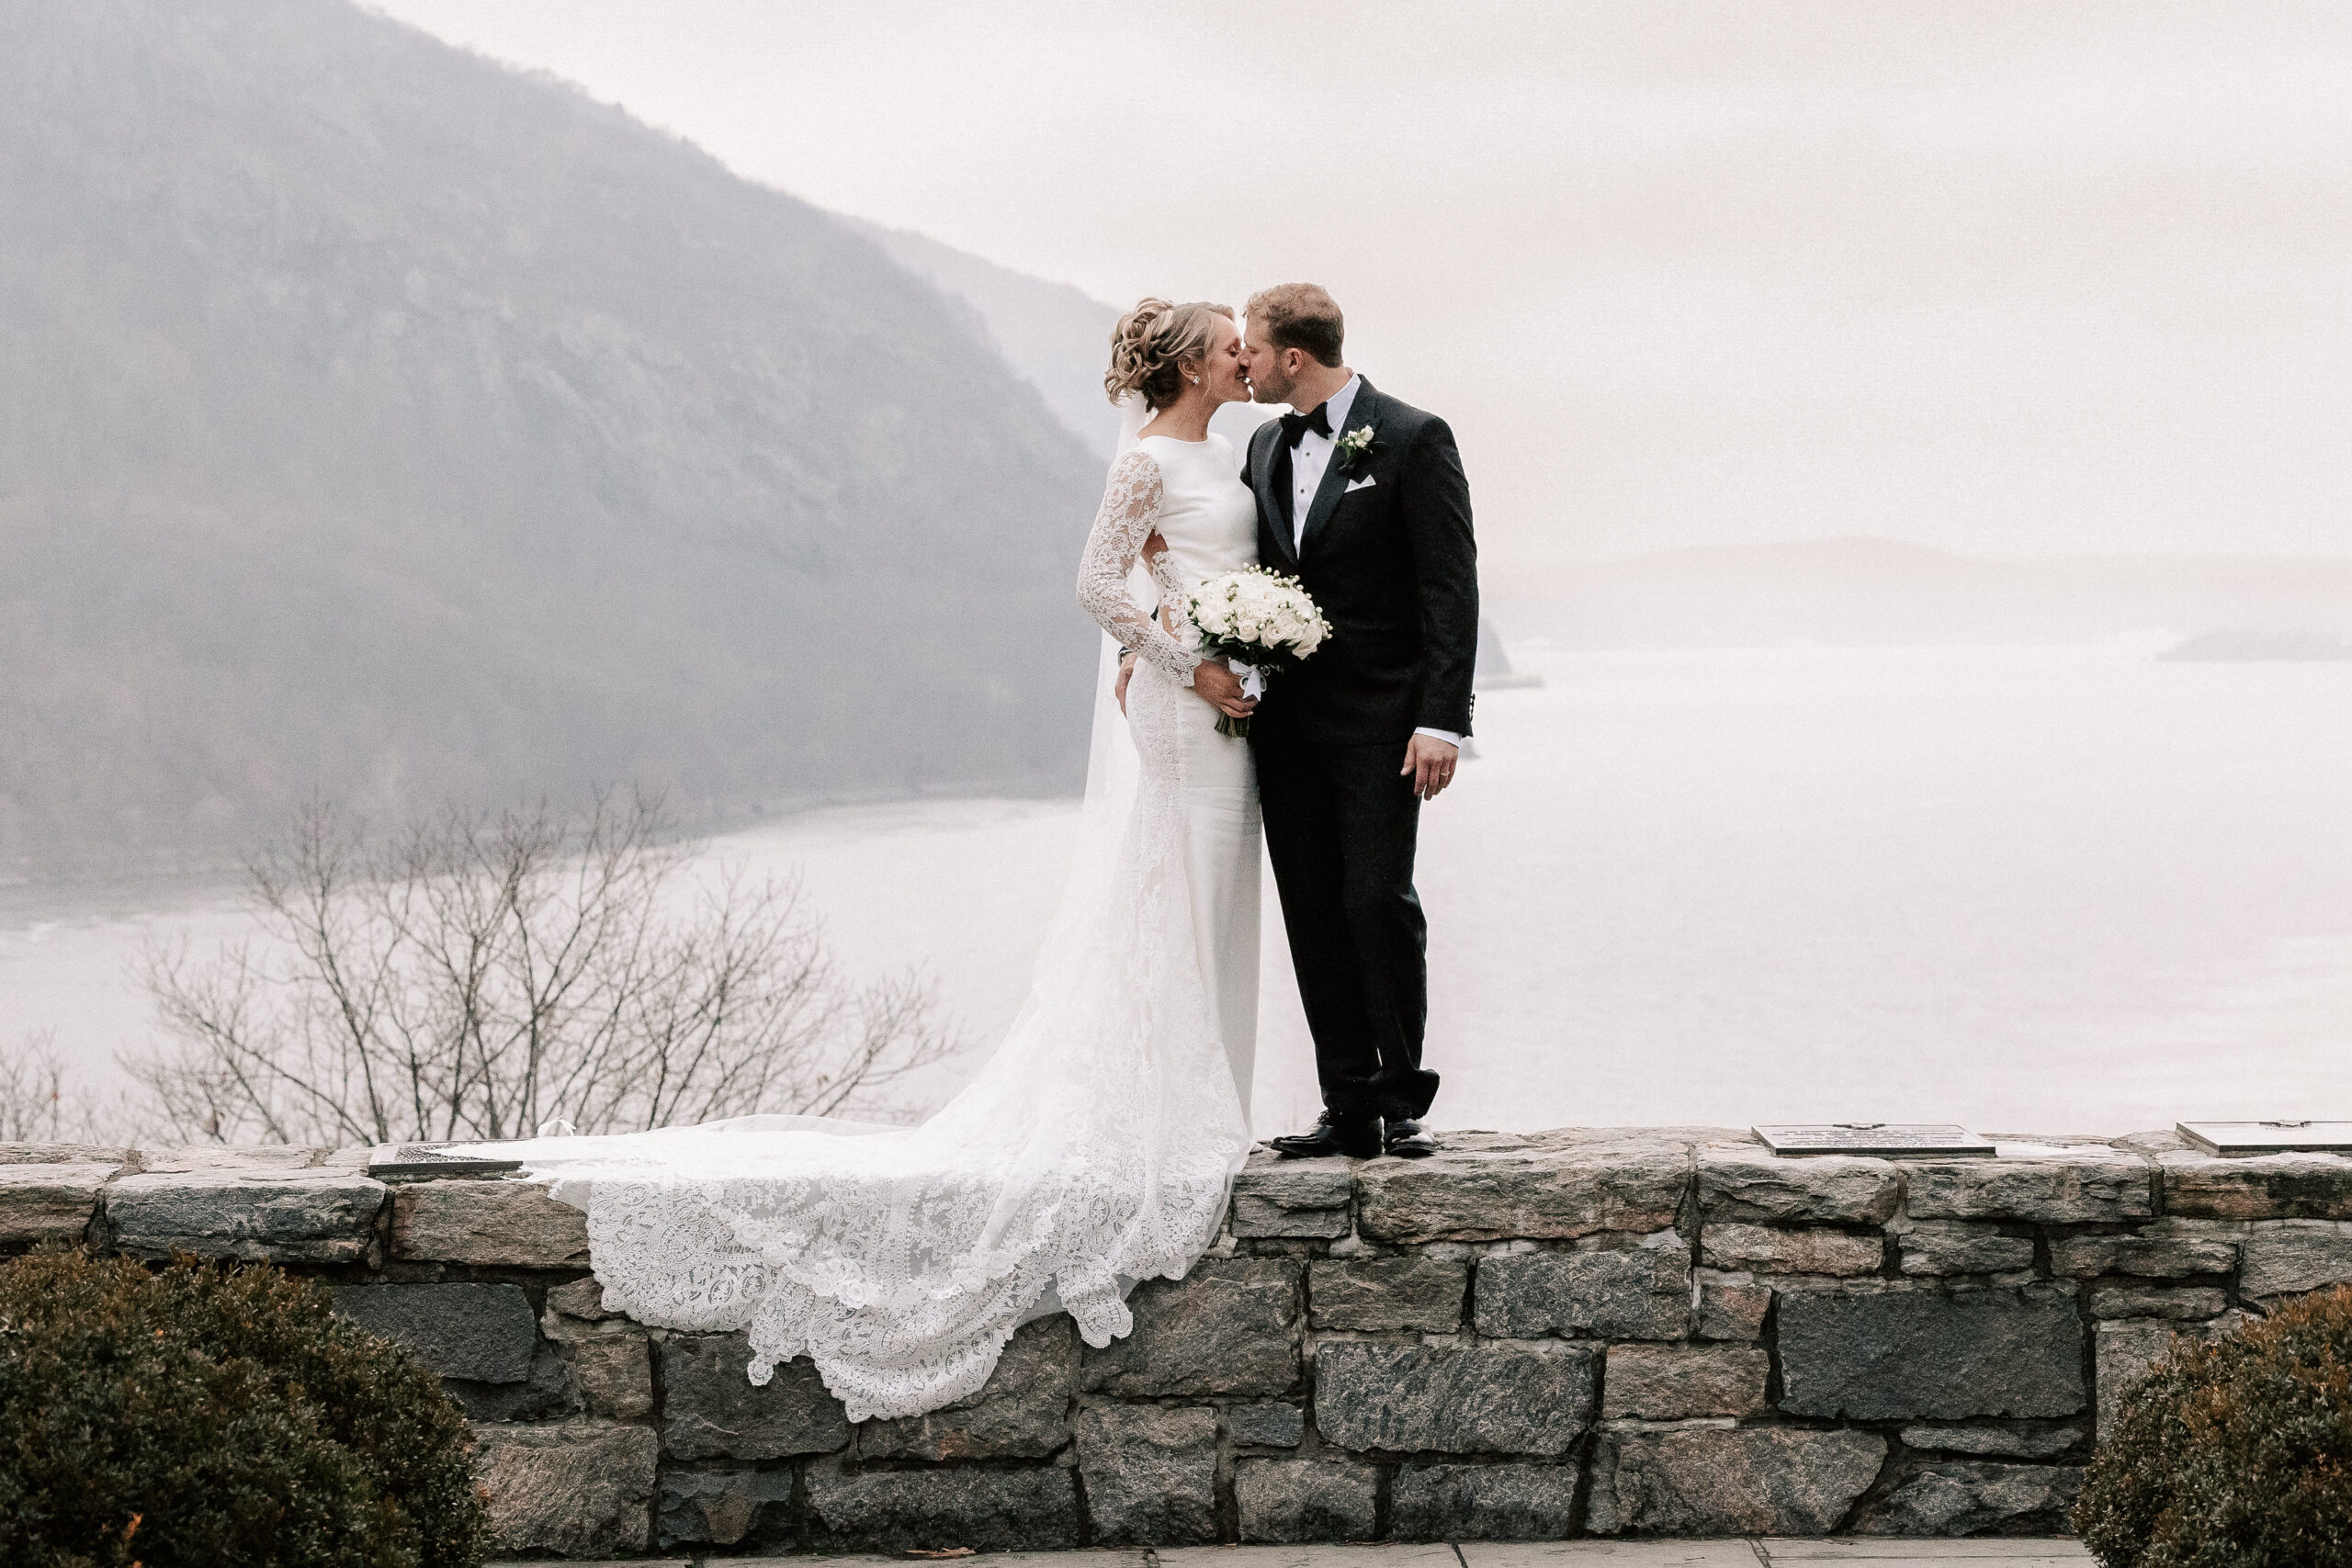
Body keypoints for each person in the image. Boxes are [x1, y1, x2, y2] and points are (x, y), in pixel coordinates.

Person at [465, 299, 1269, 1425]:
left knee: (1223, 902)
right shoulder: (1143, 464)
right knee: (1176, 897)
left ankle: (1211, 1110)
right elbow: (1095, 584)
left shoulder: (1224, 452)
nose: (1245, 356)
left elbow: (1195, 572)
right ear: (1191, 360)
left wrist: (1247, 645)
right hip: (1188, 712)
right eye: (1230, 343)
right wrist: (1185, 660)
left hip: (1231, 705)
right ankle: (1174, 1125)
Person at [1238, 283, 1479, 1161]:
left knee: (1376, 900)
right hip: (1285, 728)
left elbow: (1449, 589)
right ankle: (1346, 1103)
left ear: (1293, 357)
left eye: (1254, 350)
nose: (1245, 362)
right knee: (1311, 910)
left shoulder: (1415, 438)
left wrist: (1442, 720)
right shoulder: (1262, 445)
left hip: (1384, 724)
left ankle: (1401, 1095)